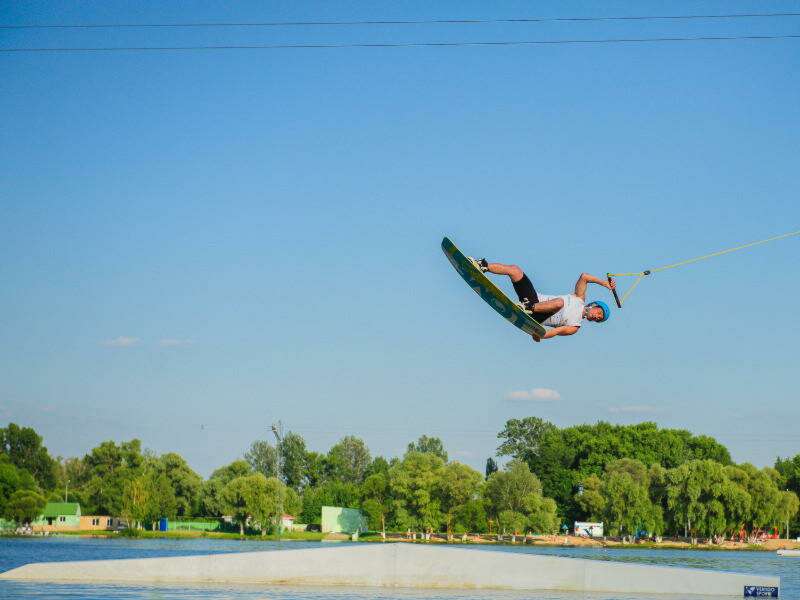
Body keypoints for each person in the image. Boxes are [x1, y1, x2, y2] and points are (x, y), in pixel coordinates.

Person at [470, 257, 614, 341]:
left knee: (560, 303)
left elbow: (555, 332)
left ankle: (527, 309)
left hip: (536, 317)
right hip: (531, 301)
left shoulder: (575, 326)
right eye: (599, 313)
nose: (597, 316)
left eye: (599, 319)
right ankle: (481, 266)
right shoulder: (579, 298)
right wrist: (604, 283)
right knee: (515, 270)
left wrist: (539, 335)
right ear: (594, 305)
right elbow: (584, 277)